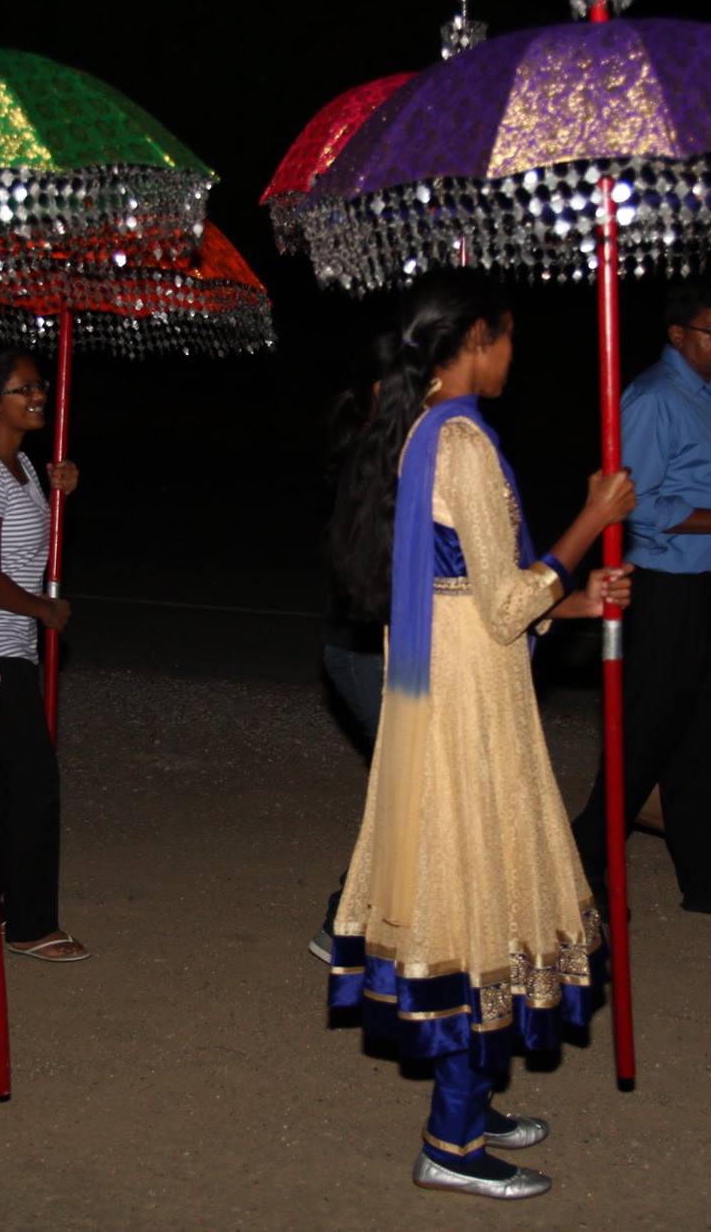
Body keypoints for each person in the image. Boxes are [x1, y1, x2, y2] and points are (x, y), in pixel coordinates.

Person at [327, 270, 633, 1201]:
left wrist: (571, 602)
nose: (512, 355)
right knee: (477, 891)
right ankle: (451, 1140)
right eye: (505, 337)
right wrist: (593, 518)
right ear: (474, 338)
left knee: (478, 878)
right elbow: (501, 601)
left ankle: (476, 1097)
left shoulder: (420, 428)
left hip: (455, 679)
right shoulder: (458, 437)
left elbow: (463, 584)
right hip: (466, 704)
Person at [569, 282, 711, 915]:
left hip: (708, 593)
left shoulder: (710, 396)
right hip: (662, 594)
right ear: (677, 334)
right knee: (645, 738)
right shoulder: (653, 400)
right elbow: (632, 506)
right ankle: (580, 865)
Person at [0, 348, 86, 963]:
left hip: (15, 644)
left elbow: (32, 536)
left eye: (39, 385)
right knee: (33, 784)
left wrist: (62, 485)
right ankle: (30, 924)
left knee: (0, 780)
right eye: (21, 389)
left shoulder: (23, 467)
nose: (37, 395)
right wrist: (44, 609)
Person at [309, 330, 398, 963]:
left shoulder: (388, 452)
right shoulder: (381, 457)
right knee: (410, 786)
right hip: (368, 651)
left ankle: (370, 920)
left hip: (365, 645)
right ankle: (345, 920)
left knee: (412, 784)